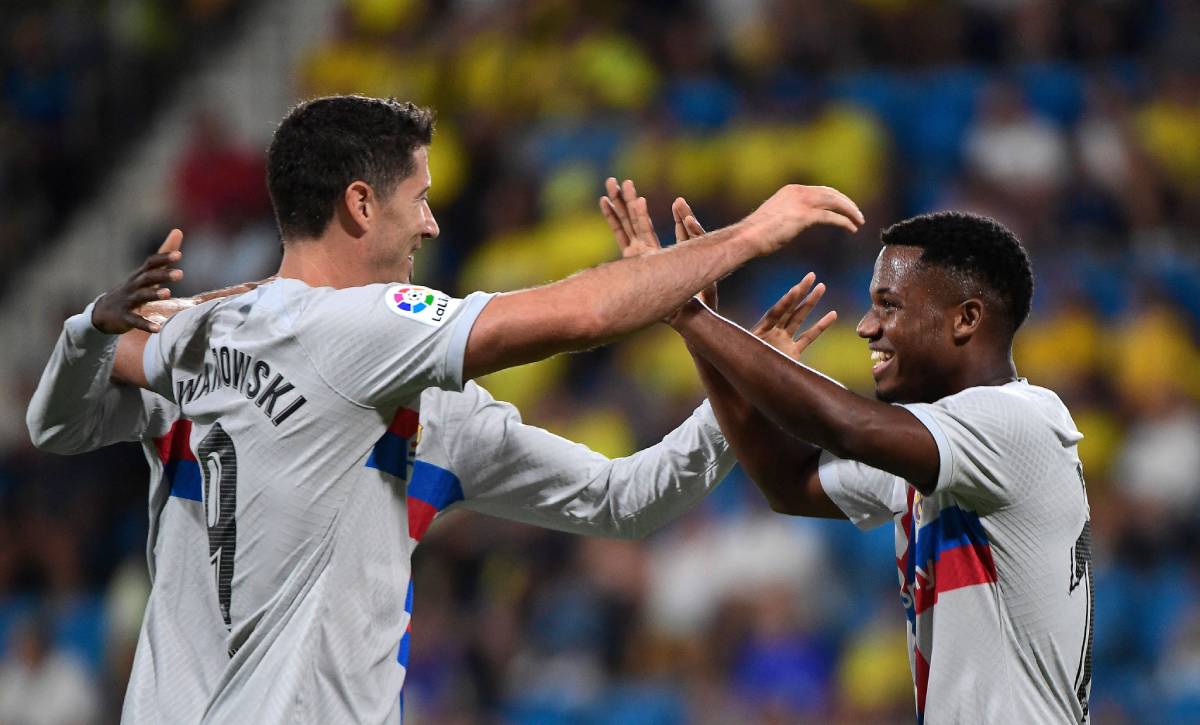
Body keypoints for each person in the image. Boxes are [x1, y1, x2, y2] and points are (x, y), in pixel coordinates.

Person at [27, 94, 862, 723]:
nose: (431, 220)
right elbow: (576, 314)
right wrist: (748, 235)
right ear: (361, 204)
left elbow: (54, 424)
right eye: (418, 196)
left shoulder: (199, 335)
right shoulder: (356, 332)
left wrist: (89, 328)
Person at [601, 182, 1093, 723]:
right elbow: (787, 482)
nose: (866, 327)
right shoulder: (935, 455)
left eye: (889, 305)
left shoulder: (1020, 420)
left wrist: (684, 309)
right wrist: (695, 326)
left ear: (966, 319)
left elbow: (846, 425)